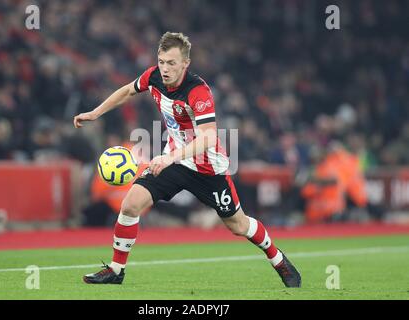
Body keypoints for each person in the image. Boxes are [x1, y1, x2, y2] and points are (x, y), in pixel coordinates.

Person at [73, 32, 301, 288]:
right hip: (177, 162)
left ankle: (278, 259)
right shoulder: (154, 76)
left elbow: (207, 138)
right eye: (161, 61)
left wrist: (169, 157)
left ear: (185, 64)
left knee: (238, 225)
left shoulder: (198, 92)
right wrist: (95, 112)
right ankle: (116, 270)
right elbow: (128, 90)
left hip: (208, 169)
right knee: (130, 205)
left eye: (172, 63)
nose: (165, 68)